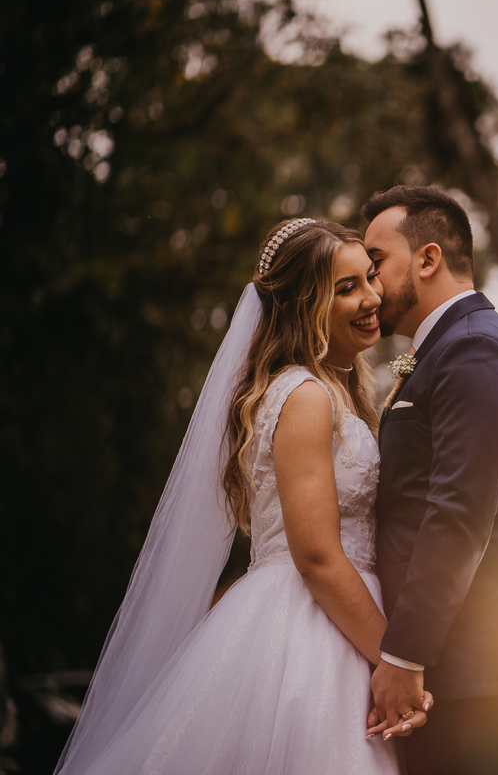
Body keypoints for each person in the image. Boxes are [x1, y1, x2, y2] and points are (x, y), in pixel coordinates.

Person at [55, 218, 427, 774]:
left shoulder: (333, 388)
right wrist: (395, 661)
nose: (372, 297)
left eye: (369, 278)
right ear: (304, 305)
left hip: (337, 615)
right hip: (311, 628)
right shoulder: (304, 396)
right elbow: (318, 556)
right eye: (345, 288)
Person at [363, 186, 498, 775]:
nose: (370, 283)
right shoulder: (446, 350)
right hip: (459, 663)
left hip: (480, 666)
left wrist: (405, 654)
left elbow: (457, 514)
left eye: (376, 262)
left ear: (428, 259)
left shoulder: (473, 349)